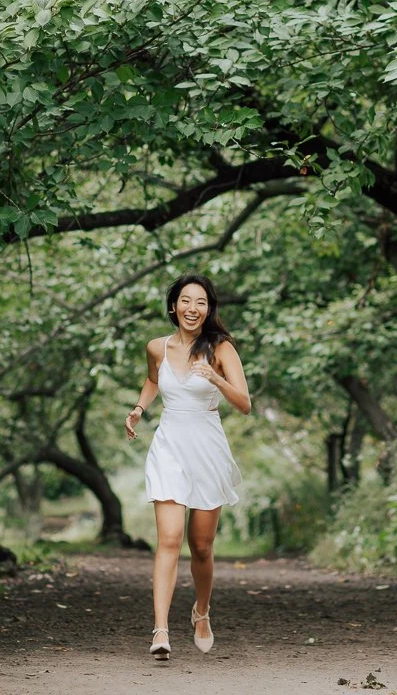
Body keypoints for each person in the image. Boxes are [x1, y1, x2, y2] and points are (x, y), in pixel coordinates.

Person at [124, 274, 250, 661]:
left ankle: (201, 611)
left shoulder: (221, 347)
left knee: (201, 546)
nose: (192, 308)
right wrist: (139, 409)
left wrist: (215, 377)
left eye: (200, 302)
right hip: (169, 446)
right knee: (169, 539)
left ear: (209, 309)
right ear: (173, 306)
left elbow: (244, 403)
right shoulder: (157, 347)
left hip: (207, 446)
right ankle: (160, 630)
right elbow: (152, 380)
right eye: (185, 301)